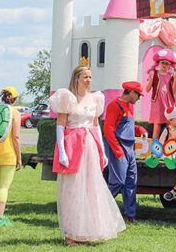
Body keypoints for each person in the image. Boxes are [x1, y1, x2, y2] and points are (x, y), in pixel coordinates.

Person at [49, 66, 125, 245]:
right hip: (73, 144)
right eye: (85, 77)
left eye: (90, 77)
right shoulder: (67, 97)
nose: (88, 80)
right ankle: (70, 233)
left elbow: (96, 125)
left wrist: (103, 151)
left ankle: (86, 231)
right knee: (73, 188)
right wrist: (62, 151)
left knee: (91, 187)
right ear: (76, 78)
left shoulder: (95, 98)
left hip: (90, 144)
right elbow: (61, 126)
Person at [103, 81, 144, 223]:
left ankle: (130, 216)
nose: (139, 98)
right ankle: (100, 211)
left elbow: (127, 126)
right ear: (132, 93)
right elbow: (108, 130)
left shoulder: (129, 107)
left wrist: (140, 130)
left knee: (131, 182)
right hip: (119, 148)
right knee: (117, 181)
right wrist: (118, 151)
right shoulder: (115, 105)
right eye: (139, 95)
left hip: (129, 150)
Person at [0, 86, 22, 226]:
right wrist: (19, 157)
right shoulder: (15, 113)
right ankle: (0, 218)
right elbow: (16, 137)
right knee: (4, 186)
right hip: (8, 154)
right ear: (15, 98)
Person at [145, 49, 176, 140]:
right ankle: (155, 150)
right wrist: (151, 79)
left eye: (167, 63)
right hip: (157, 102)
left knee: (171, 126)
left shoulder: (172, 75)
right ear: (158, 63)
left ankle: (170, 148)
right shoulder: (155, 73)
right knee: (157, 127)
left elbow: (173, 92)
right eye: (162, 63)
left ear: (170, 65)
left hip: (168, 102)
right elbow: (147, 89)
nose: (164, 65)